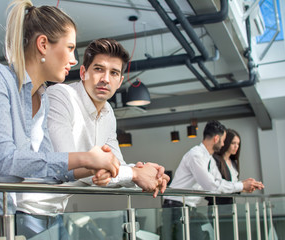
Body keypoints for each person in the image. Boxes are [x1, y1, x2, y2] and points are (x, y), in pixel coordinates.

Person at [0, 1, 120, 239]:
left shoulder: (42, 97)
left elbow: (43, 169)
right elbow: (4, 161)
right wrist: (85, 157)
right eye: (70, 48)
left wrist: (90, 168)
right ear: (43, 44)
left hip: (1, 223)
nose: (73, 60)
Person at [15, 38, 170, 239]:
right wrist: (133, 174)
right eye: (98, 69)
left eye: (114, 72)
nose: (105, 78)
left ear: (120, 81)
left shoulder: (108, 113)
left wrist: (146, 173)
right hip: (27, 212)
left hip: (57, 212)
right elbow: (66, 163)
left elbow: (117, 164)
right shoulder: (60, 95)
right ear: (83, 72)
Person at [162, 120, 264, 240]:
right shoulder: (196, 155)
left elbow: (219, 182)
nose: (223, 144)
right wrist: (241, 185)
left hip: (188, 207)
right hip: (175, 207)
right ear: (216, 138)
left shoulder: (209, 159)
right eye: (223, 140)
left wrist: (244, 186)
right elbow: (212, 186)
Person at [206, 129, 242, 205]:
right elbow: (214, 185)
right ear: (226, 143)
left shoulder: (233, 163)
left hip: (230, 204)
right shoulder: (215, 159)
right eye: (233, 143)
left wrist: (243, 187)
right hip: (217, 205)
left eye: (238, 144)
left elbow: (233, 185)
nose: (236, 146)